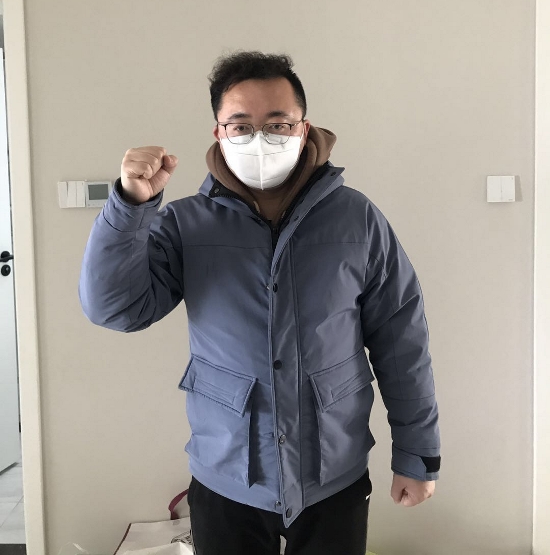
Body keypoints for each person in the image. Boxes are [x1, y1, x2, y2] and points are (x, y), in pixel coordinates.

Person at [79, 51, 440, 555]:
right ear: (219, 132)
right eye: (241, 125)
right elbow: (116, 308)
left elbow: (402, 341)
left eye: (277, 124)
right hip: (227, 474)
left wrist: (417, 454)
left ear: (303, 128)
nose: (260, 138)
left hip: (333, 473)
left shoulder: (356, 218)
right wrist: (129, 205)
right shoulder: (186, 223)